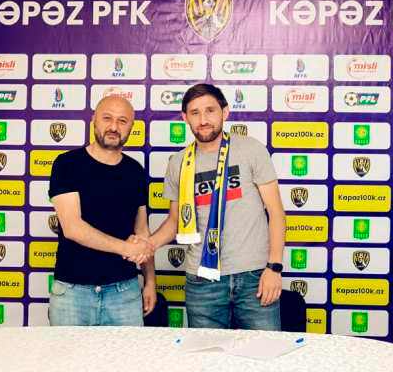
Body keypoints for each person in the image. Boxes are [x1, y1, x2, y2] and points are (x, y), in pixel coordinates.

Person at [145, 83, 286, 330]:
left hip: (253, 276)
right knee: (206, 353)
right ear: (185, 118)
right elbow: (174, 221)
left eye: (210, 110)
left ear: (225, 112)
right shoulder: (178, 163)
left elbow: (276, 213)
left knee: (263, 352)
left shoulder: (250, 149)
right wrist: (148, 245)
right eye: (195, 113)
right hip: (202, 281)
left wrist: (274, 268)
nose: (203, 120)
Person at [48, 96, 155, 326]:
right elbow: (73, 228)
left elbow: (142, 231)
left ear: (131, 127)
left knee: (128, 352)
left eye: (122, 121)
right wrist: (127, 248)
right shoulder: (67, 164)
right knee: (67, 353)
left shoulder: (135, 171)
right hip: (72, 293)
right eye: (107, 118)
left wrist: (150, 282)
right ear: (94, 120)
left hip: (124, 292)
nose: (114, 127)